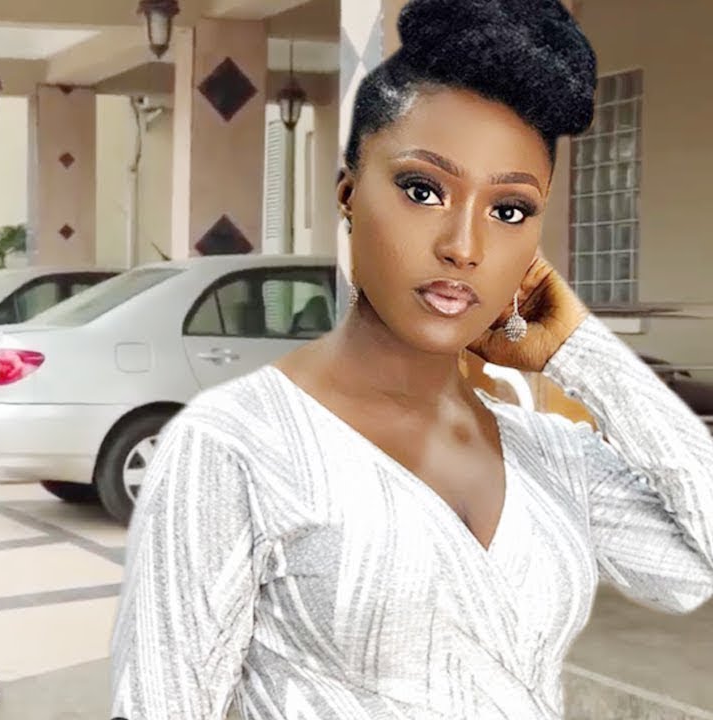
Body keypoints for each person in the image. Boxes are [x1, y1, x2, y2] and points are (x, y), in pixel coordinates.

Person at [109, 1, 713, 718]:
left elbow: (691, 572)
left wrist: (579, 349)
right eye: (423, 190)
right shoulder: (238, 446)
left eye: (509, 210)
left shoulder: (549, 453)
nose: (464, 246)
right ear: (349, 196)